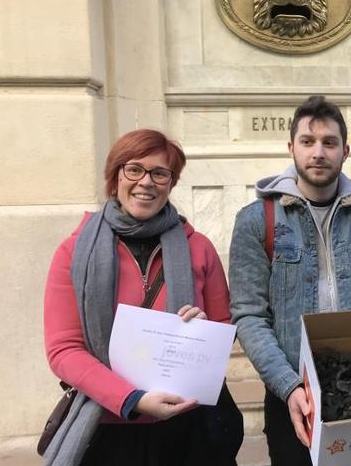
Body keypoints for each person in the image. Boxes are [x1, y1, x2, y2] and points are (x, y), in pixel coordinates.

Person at [229, 95, 351, 465]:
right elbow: (249, 315)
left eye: (329, 143)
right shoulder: (255, 221)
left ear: (345, 151)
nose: (318, 153)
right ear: (291, 147)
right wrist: (288, 385)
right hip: (293, 393)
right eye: (308, 142)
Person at [43, 129, 241, 465]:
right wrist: (132, 398)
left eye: (160, 173)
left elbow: (224, 324)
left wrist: (205, 334)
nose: (146, 182)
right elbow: (64, 349)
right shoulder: (74, 251)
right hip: (109, 424)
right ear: (115, 176)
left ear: (171, 182)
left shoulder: (200, 248)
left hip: (190, 426)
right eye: (134, 169)